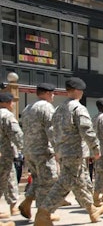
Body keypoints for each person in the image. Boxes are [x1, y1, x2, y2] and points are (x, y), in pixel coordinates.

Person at [34, 77, 103, 225]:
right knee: (64, 183)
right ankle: (44, 212)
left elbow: (53, 130)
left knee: (79, 183)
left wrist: (57, 149)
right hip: (75, 152)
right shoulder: (77, 108)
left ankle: (92, 210)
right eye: (81, 90)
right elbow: (87, 130)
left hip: (64, 151)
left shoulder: (59, 109)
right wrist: (95, 148)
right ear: (78, 91)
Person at [19, 83, 60, 221]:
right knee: (49, 180)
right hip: (43, 150)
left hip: (29, 149)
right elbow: (52, 130)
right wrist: (58, 150)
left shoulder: (27, 108)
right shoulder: (46, 107)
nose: (53, 96)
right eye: (53, 93)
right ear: (48, 93)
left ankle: (27, 203)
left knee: (37, 179)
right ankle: (43, 214)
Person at [0, 92, 23, 220]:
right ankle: (13, 207)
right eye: (12, 102)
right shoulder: (6, 115)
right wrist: (24, 148)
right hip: (4, 154)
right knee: (10, 178)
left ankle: (13, 206)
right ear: (8, 103)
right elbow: (16, 133)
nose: (13, 104)